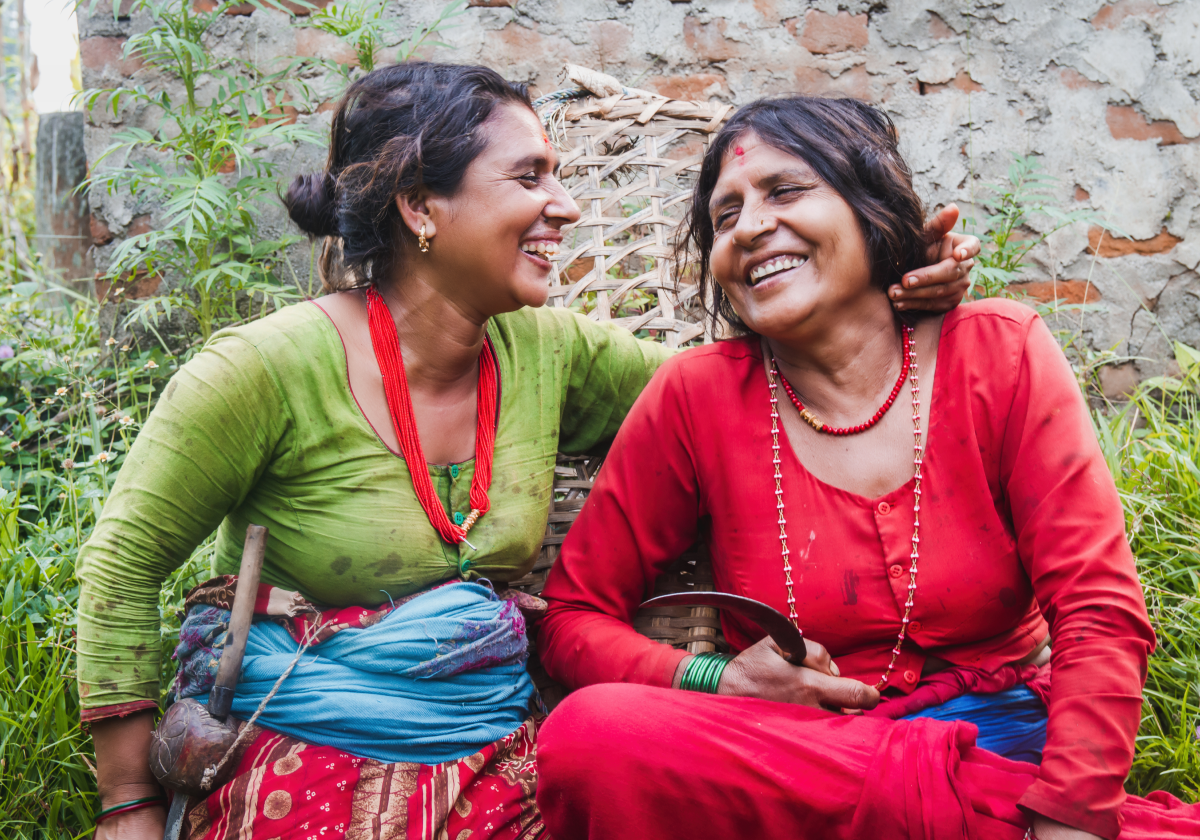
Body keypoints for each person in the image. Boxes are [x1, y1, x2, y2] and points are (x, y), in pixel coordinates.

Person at [77, 66, 979, 840]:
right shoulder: (264, 370)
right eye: (531, 177)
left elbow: (753, 390)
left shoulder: (547, 351)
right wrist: (127, 803)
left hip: (484, 752)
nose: (566, 205)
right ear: (421, 207)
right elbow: (121, 568)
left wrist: (888, 292)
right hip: (299, 746)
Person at [535, 96, 1200, 840]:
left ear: (870, 210)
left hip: (1001, 754)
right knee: (590, 734)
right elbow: (571, 619)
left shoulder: (999, 351)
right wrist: (717, 678)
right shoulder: (697, 396)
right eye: (725, 218)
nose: (751, 226)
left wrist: (1070, 816)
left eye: (785, 191)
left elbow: (1099, 612)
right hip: (800, 759)